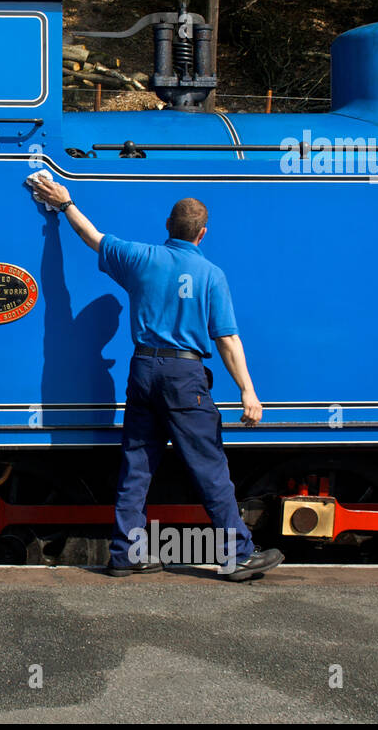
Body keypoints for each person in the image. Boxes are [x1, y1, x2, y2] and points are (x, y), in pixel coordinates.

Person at [28, 179, 284, 582]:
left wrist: (64, 205)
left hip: (144, 369)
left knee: (137, 463)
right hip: (185, 376)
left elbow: (90, 236)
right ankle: (237, 554)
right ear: (203, 233)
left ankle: (125, 553)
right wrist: (248, 391)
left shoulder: (141, 258)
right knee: (208, 466)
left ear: (168, 224)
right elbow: (227, 339)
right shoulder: (211, 274)